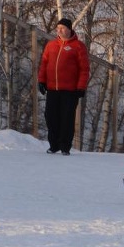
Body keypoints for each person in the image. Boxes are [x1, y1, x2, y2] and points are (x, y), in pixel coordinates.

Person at [37, 17, 89, 155]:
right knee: (50, 116)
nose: (60, 30)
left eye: (63, 28)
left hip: (70, 90)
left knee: (66, 118)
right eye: (58, 28)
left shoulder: (78, 46)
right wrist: (41, 81)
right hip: (52, 88)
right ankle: (54, 145)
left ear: (69, 29)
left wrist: (81, 87)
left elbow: (84, 69)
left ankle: (65, 146)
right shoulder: (51, 45)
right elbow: (44, 64)